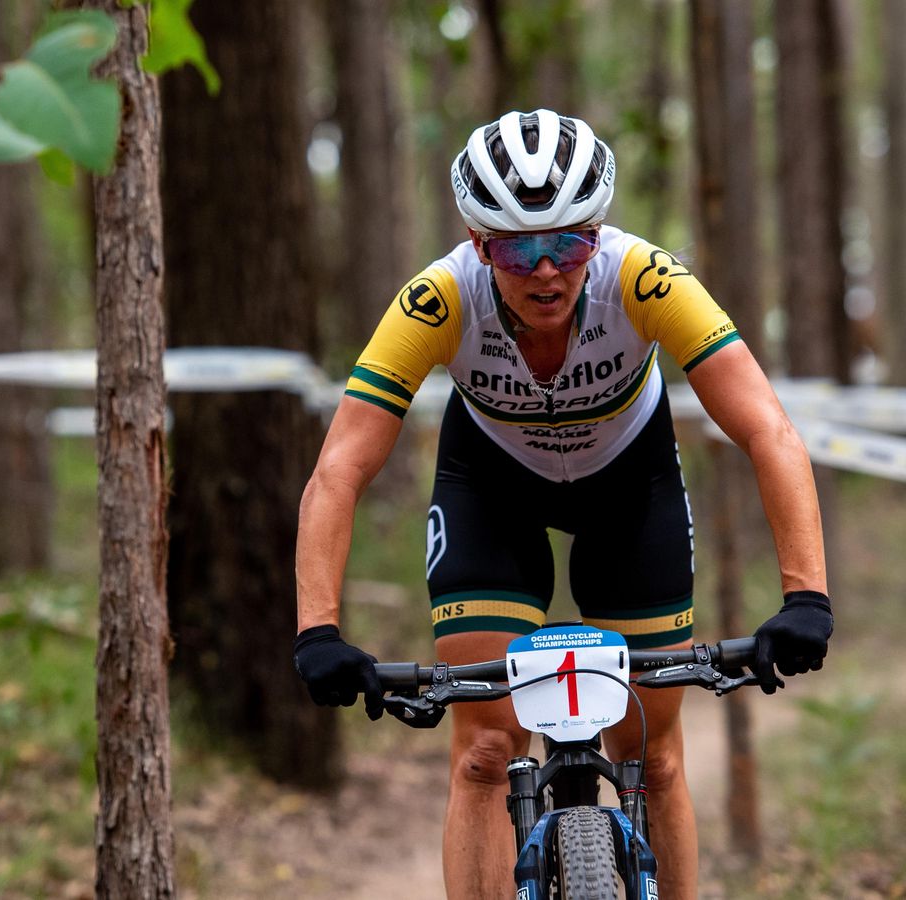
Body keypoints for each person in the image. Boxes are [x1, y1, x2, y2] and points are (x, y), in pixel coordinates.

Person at [292, 109, 833, 899]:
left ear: (598, 236)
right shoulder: (439, 299)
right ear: (479, 245)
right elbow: (339, 469)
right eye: (518, 249)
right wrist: (318, 629)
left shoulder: (643, 279)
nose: (546, 272)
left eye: (570, 244)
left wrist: (806, 595)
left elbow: (768, 430)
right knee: (485, 750)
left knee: (653, 757)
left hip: (630, 488)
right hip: (491, 489)